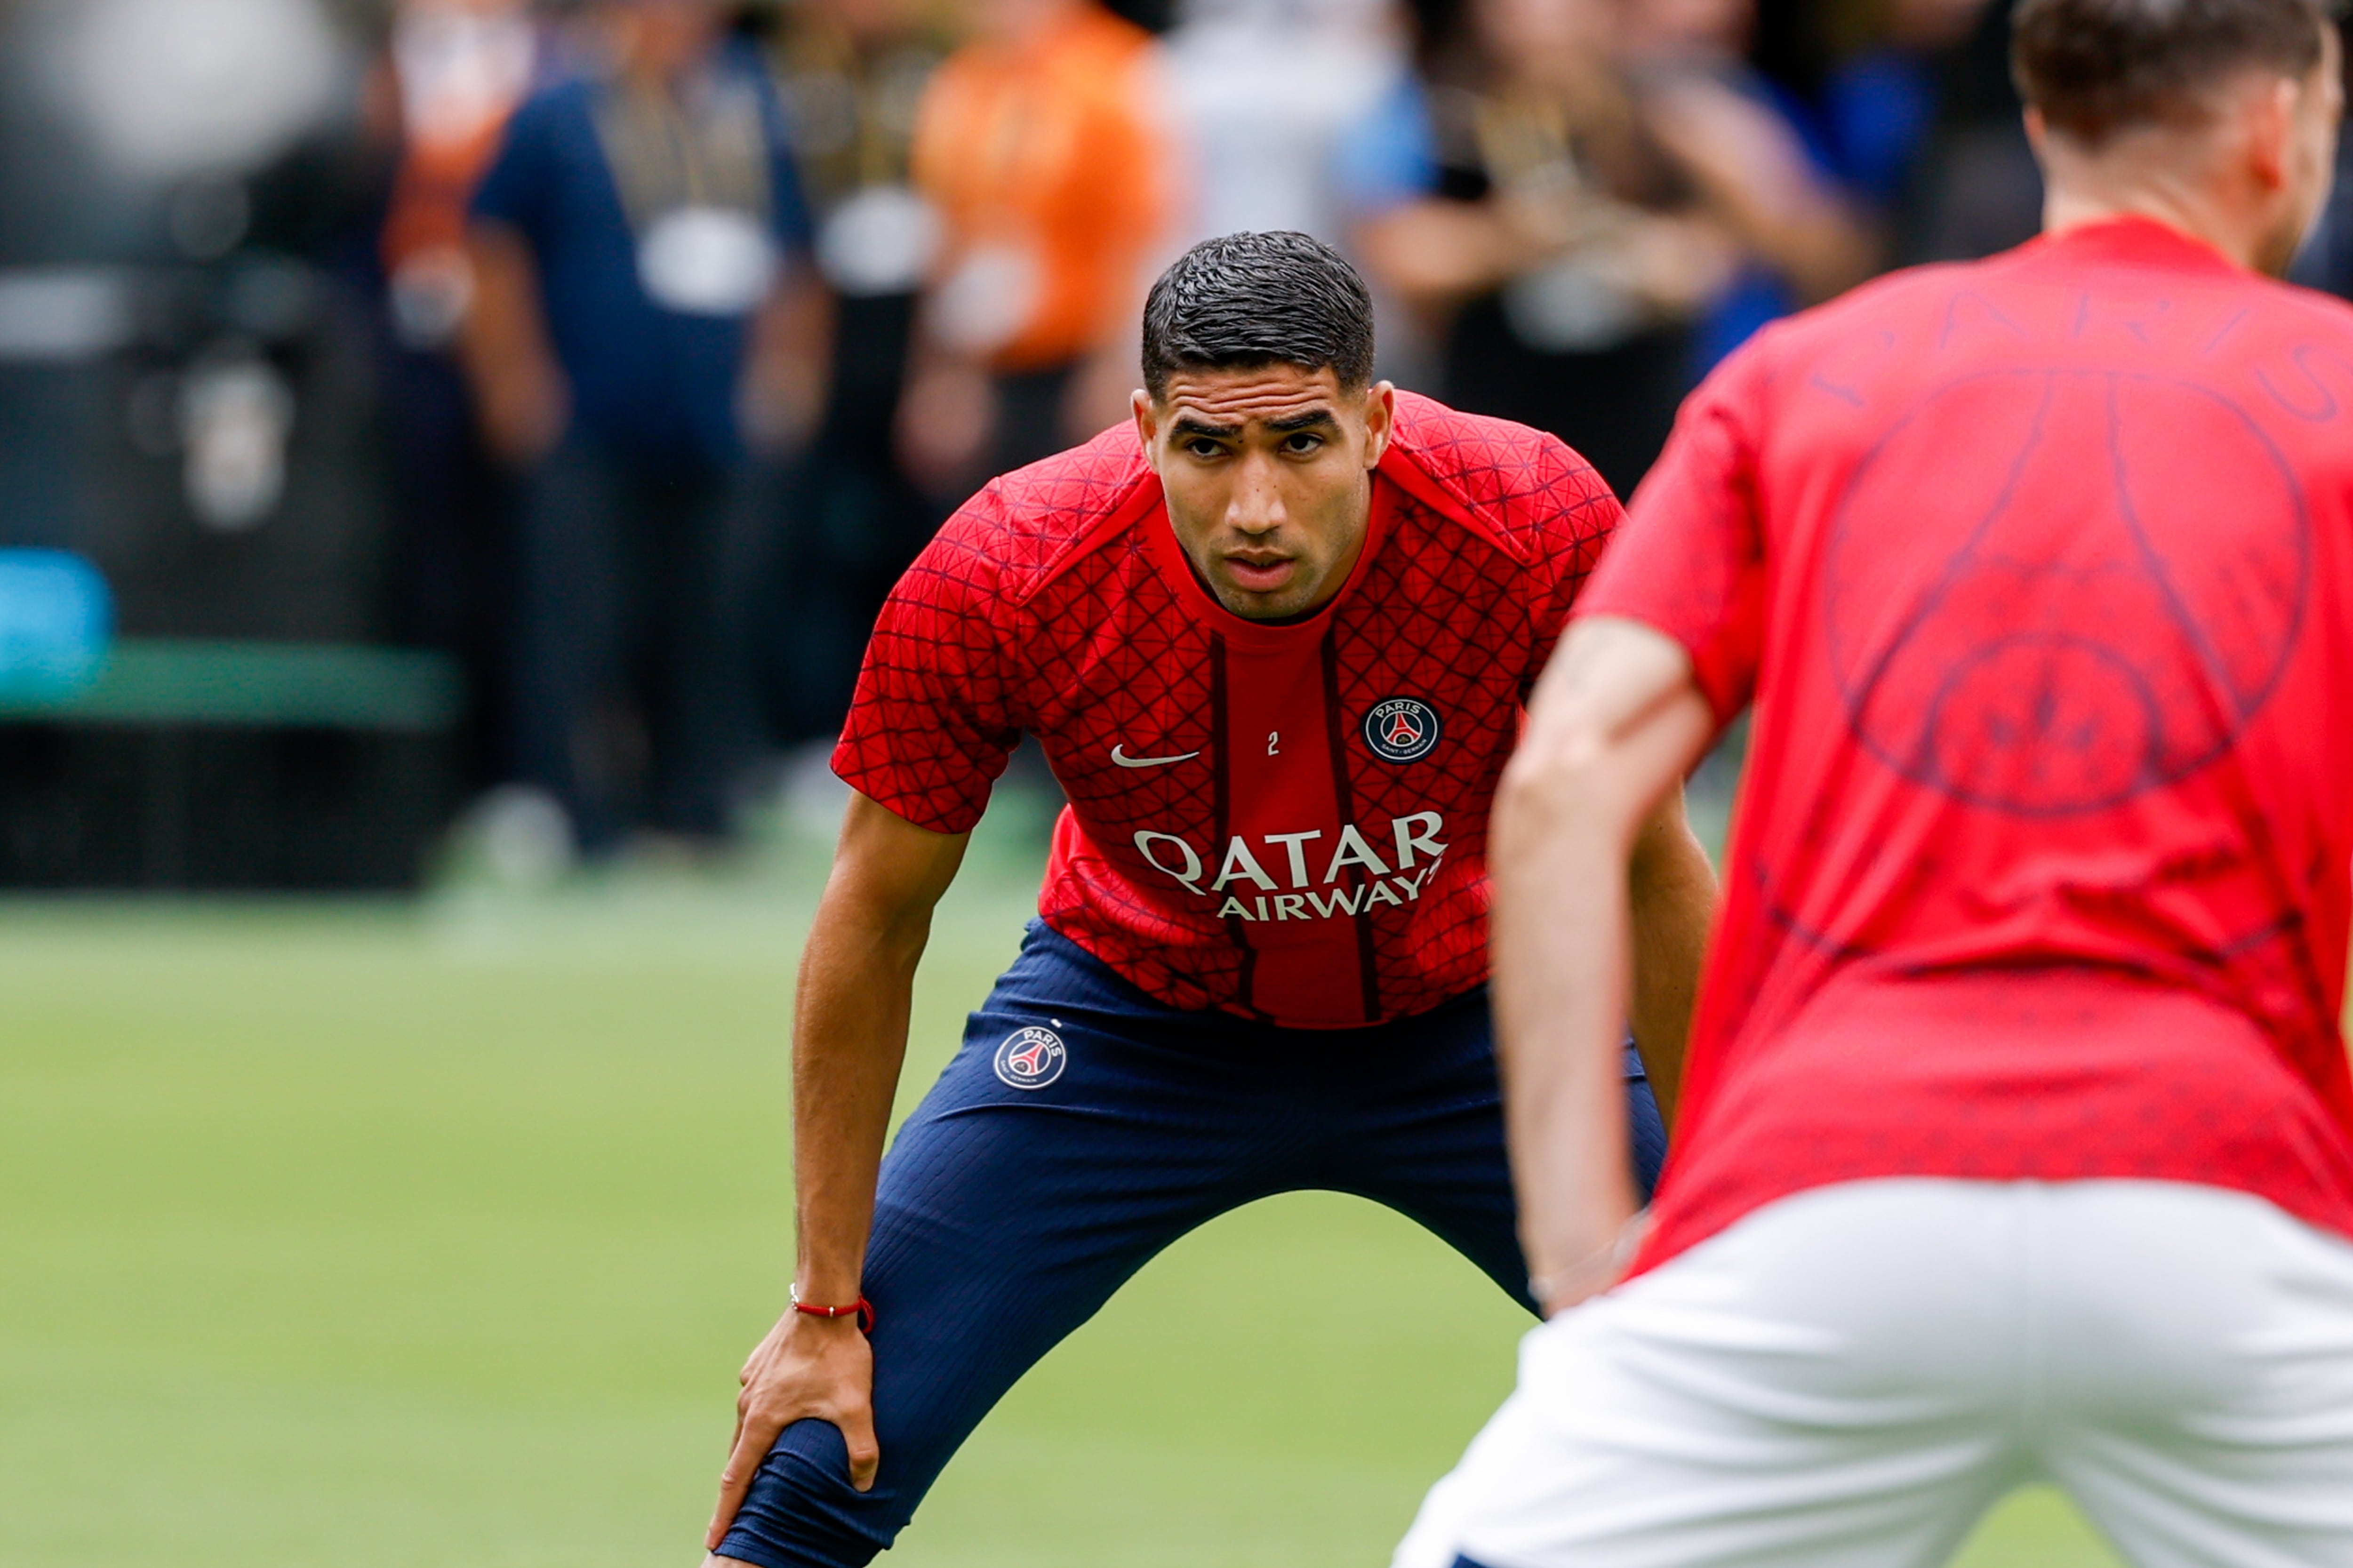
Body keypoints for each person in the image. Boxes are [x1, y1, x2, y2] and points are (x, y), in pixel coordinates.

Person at [1398, 0, 2353, 1564]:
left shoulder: (1804, 373)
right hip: (2229, 1202)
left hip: (1824, 1200)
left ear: (2047, 122)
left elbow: (1565, 778)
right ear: (2280, 121)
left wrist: (1579, 1254)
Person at [700, 231, 1719, 1568]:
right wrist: (823, 1305)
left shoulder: (1532, 519)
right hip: (1133, 1021)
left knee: (1751, 1394)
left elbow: (1649, 863)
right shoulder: (1006, 568)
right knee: (818, 1447)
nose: (1255, 505)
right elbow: (871, 916)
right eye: (1207, 448)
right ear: (1143, 433)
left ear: (1376, 421)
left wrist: (1722, 1211)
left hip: (1483, 1012)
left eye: (1300, 443)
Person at [462, 0, 824, 852]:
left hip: (715, 414)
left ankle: (698, 801)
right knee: (579, 612)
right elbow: (493, 243)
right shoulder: (559, 114)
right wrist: (512, 378)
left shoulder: (757, 109)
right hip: (592, 410)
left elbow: (795, 256)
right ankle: (571, 805)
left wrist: (791, 370)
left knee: (713, 609)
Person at [896, 0, 1175, 495]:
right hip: (982, 355)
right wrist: (940, 373)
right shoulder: (965, 79)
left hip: (1074, 355)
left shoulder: (1117, 70)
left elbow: (1140, 231)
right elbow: (944, 237)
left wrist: (1117, 365)